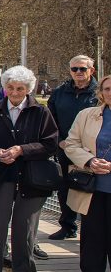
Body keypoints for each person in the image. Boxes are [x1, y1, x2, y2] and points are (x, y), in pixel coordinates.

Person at [0, 65, 59, 272]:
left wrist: (21, 149)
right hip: (1, 176)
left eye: (20, 88)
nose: (14, 93)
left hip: (31, 179)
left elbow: (50, 143)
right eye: (10, 88)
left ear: (28, 90)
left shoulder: (40, 112)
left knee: (25, 227)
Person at [62, 74, 111, 272]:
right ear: (101, 92)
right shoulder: (87, 115)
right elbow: (70, 144)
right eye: (107, 89)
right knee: (92, 235)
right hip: (93, 187)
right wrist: (90, 161)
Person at [47, 55, 98, 240]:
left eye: (82, 69)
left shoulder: (99, 93)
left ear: (91, 70)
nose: (78, 72)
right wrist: (59, 140)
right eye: (74, 69)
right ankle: (67, 226)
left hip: (92, 151)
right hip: (65, 148)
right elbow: (50, 120)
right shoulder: (60, 92)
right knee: (65, 187)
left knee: (90, 189)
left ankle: (91, 229)